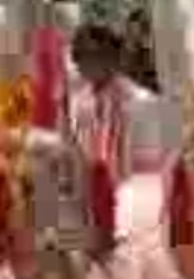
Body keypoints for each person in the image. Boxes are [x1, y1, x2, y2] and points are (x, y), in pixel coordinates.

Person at [67, 23, 171, 179]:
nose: (84, 65)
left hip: (129, 186)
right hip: (93, 186)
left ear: (113, 57)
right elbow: (79, 149)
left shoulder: (139, 100)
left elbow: (152, 163)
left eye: (97, 56)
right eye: (81, 58)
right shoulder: (80, 101)